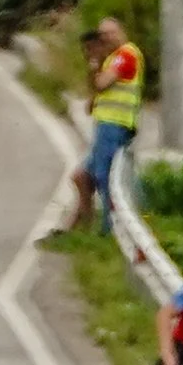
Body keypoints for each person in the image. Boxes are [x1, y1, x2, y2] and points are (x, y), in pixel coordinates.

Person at [72, 19, 143, 234]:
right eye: (102, 35)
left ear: (121, 31)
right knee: (82, 176)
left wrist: (94, 63)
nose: (106, 39)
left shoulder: (126, 54)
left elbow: (102, 83)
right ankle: (84, 225)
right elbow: (96, 88)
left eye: (110, 33)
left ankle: (110, 228)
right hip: (106, 124)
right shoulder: (111, 58)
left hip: (116, 124)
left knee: (104, 176)